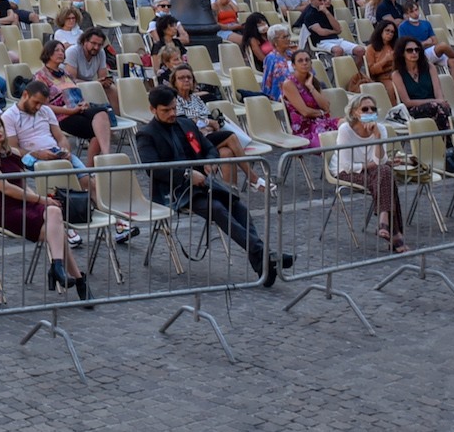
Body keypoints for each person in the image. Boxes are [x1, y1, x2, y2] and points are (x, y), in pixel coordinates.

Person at [137, 87, 290, 285]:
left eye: (174, 108)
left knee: (238, 206)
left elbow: (209, 147)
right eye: (166, 110)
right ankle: (264, 254)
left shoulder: (185, 124)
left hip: (203, 183)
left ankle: (261, 262)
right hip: (173, 191)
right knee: (217, 208)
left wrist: (209, 161)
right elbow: (152, 169)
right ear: (153, 110)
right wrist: (186, 174)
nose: (172, 113)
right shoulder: (146, 135)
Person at [0, 114, 87, 300]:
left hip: (23, 204)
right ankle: (79, 280)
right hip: (3, 211)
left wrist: (39, 199)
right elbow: (7, 189)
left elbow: (23, 185)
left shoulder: (14, 154)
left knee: (54, 213)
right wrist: (41, 200)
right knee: (57, 232)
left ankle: (59, 267)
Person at [331, 98, 407, 253]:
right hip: (345, 172)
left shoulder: (380, 129)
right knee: (386, 177)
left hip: (373, 170)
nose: (370, 112)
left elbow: (380, 161)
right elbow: (347, 166)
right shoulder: (346, 130)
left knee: (385, 172)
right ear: (354, 112)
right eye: (365, 109)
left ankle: (384, 217)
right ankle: (394, 233)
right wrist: (373, 165)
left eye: (373, 109)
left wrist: (377, 137)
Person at [388, 39, 451, 127]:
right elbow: (407, 102)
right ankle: (446, 138)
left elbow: (438, 92)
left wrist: (440, 101)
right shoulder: (397, 74)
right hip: (413, 109)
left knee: (443, 107)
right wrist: (435, 101)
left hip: (435, 105)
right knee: (436, 107)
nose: (414, 53)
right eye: (409, 50)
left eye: (417, 50)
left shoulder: (430, 68)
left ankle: (445, 137)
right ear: (402, 53)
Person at [279, 50, 334, 147]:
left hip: (321, 122)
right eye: (300, 61)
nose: (304, 63)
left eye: (307, 60)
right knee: (333, 139)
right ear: (293, 65)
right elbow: (305, 112)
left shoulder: (313, 81)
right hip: (305, 128)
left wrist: (310, 87)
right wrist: (321, 113)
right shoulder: (289, 84)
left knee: (347, 125)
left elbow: (326, 106)